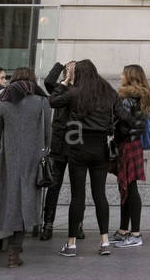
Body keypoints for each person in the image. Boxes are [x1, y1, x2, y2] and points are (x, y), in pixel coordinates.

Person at [48, 59, 117, 256]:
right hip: (100, 147)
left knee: (77, 196)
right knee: (100, 195)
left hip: (78, 146)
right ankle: (104, 241)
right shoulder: (108, 92)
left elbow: (52, 101)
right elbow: (121, 113)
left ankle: (71, 245)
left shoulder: (73, 92)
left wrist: (66, 81)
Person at [0, 68, 49, 268]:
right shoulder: (42, 101)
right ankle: (15, 249)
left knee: (7, 200)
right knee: (25, 202)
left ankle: (12, 249)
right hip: (32, 159)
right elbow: (48, 134)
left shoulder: (4, 102)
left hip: (7, 160)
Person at [38, 60, 84, 241]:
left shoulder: (82, 91)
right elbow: (48, 82)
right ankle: (48, 224)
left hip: (75, 142)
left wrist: (70, 79)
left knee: (77, 187)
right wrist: (61, 66)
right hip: (59, 143)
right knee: (54, 185)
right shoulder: (59, 89)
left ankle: (78, 225)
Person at [112, 64, 150, 248]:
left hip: (126, 144)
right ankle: (123, 231)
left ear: (129, 76)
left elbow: (122, 122)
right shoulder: (142, 95)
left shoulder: (127, 98)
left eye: (123, 73)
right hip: (134, 143)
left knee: (130, 187)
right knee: (128, 187)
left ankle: (134, 233)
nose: (120, 76)